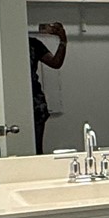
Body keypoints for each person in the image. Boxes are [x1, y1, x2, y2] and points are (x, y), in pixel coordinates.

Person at [29, 20, 67, 153]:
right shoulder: (6, 44)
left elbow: (55, 63)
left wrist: (63, 41)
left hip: (35, 100)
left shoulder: (33, 44)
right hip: (16, 99)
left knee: (37, 149)